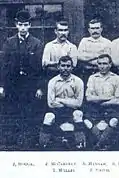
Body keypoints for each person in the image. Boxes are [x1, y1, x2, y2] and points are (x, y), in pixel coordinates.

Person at [0, 10, 44, 149]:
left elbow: (39, 68)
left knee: (29, 112)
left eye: (25, 24)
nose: (23, 28)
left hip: (29, 85)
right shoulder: (9, 42)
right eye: (20, 25)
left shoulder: (36, 43)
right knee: (13, 111)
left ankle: (28, 142)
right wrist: (2, 85)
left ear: (30, 25)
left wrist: (39, 87)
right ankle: (12, 141)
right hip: (13, 84)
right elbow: (4, 65)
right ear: (16, 25)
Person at [39, 56, 88, 150]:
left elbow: (78, 103)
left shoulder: (78, 81)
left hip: (72, 110)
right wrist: (70, 102)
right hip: (57, 110)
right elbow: (51, 103)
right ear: (58, 67)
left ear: (72, 67)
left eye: (68, 66)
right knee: (48, 116)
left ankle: (80, 144)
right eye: (63, 65)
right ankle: (43, 145)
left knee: (78, 114)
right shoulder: (53, 81)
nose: (65, 68)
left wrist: (60, 100)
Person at [84, 54, 119, 150]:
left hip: (111, 108)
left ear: (110, 64)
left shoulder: (117, 78)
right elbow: (89, 98)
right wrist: (108, 98)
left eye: (105, 63)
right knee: (87, 122)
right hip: (95, 109)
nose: (102, 66)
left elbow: (118, 101)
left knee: (114, 122)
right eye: (100, 64)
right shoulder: (92, 78)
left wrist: (99, 100)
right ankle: (104, 144)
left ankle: (98, 145)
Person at [77, 19, 112, 84]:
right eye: (92, 28)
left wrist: (88, 57)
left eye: (97, 28)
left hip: (102, 72)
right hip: (86, 72)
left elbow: (107, 59)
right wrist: (97, 56)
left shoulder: (107, 42)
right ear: (89, 30)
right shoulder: (84, 41)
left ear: (101, 29)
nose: (95, 31)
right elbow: (79, 57)